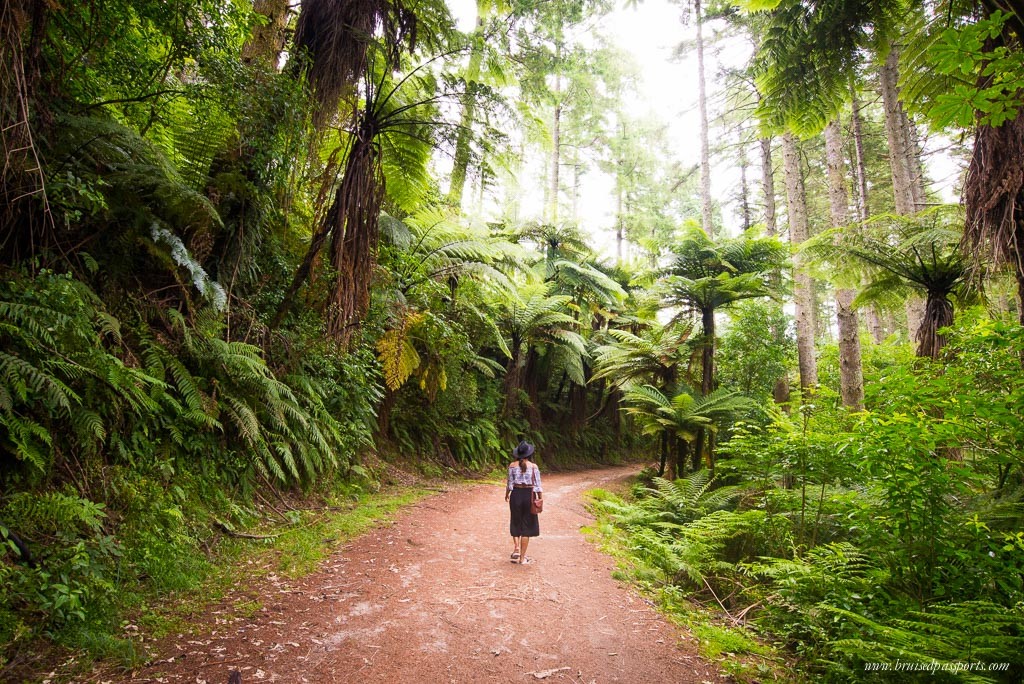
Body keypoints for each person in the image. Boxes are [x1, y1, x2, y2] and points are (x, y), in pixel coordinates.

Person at [505, 440, 542, 564]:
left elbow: (509, 483)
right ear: (529, 454)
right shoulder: (534, 467)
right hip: (529, 496)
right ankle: (522, 558)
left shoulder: (512, 466)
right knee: (527, 526)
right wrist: (540, 499)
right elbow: (537, 486)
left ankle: (516, 549)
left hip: (515, 495)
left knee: (515, 521)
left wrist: (507, 495)